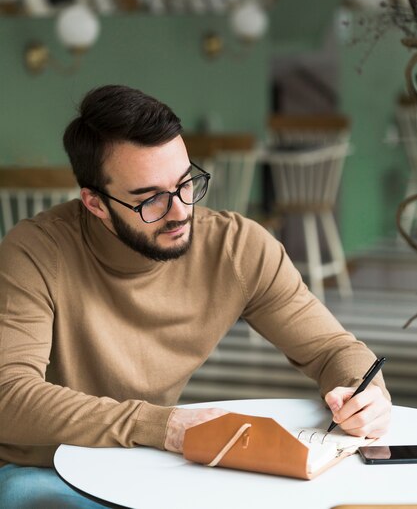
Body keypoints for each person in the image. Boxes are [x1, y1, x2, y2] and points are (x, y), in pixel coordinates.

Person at [0, 84, 391, 507]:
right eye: (150, 199)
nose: (180, 210)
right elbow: (8, 395)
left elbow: (332, 348)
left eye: (186, 183)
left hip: (144, 464)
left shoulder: (238, 248)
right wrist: (161, 425)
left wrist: (363, 393)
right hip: (43, 472)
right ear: (95, 203)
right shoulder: (33, 253)